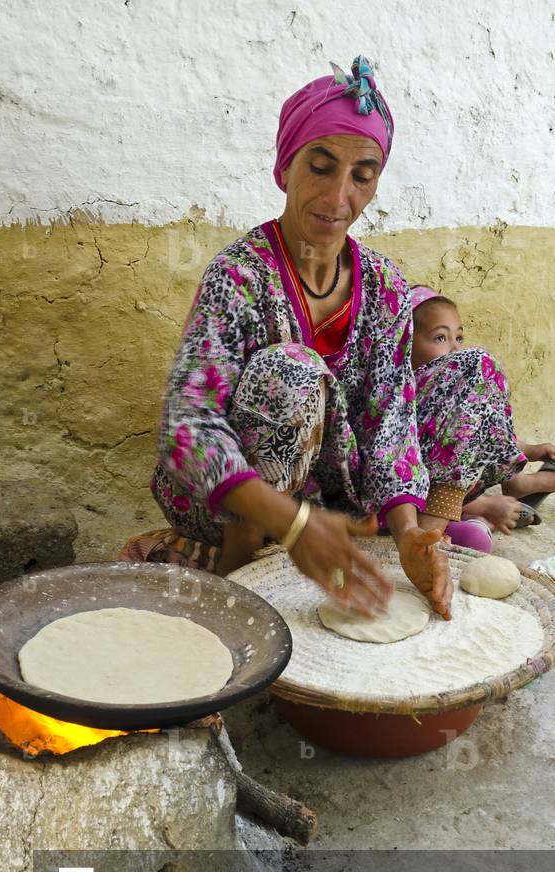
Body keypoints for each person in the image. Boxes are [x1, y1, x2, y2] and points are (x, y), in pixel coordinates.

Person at [119, 56, 519, 622]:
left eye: (362, 174)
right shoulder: (240, 276)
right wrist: (293, 522)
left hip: (339, 493)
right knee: (292, 371)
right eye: (321, 166)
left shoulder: (381, 284)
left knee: (470, 370)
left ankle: (424, 551)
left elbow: (391, 417)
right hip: (239, 498)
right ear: (285, 166)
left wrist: (405, 525)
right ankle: (241, 571)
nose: (338, 198)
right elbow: (187, 425)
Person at [410, 285, 555, 547]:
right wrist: (486, 504)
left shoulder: (454, 388)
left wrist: (530, 450)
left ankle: (513, 483)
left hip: (453, 487)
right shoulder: (394, 396)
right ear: (404, 344)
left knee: (479, 382)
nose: (455, 348)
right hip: (409, 499)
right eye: (440, 338)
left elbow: (478, 428)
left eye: (459, 337)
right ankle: (474, 514)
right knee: (479, 363)